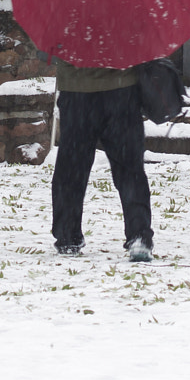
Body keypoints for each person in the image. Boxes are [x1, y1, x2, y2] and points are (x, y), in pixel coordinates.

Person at [51, 59, 154, 261]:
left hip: (76, 89)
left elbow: (49, 49)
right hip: (121, 88)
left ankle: (67, 236)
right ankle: (139, 235)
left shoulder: (67, 26)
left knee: (71, 169)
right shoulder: (126, 25)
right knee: (129, 170)